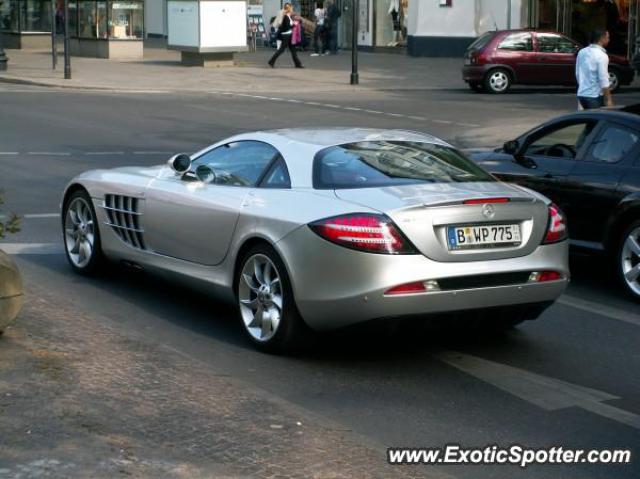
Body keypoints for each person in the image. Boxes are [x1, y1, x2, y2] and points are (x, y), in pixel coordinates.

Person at [576, 29, 613, 109]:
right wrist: (608, 99)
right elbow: (603, 79)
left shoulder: (582, 52)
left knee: (588, 119)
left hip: (581, 94)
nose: (609, 40)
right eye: (607, 37)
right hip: (594, 96)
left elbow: (578, 73)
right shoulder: (602, 56)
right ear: (602, 38)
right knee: (598, 120)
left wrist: (583, 86)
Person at [268, 3, 304, 68]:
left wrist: (295, 22)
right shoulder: (285, 17)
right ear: (289, 9)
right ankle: (271, 61)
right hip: (286, 36)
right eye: (291, 8)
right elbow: (286, 27)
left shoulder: (289, 16)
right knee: (281, 49)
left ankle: (298, 64)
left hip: (289, 35)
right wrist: (294, 25)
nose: (292, 9)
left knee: (293, 50)